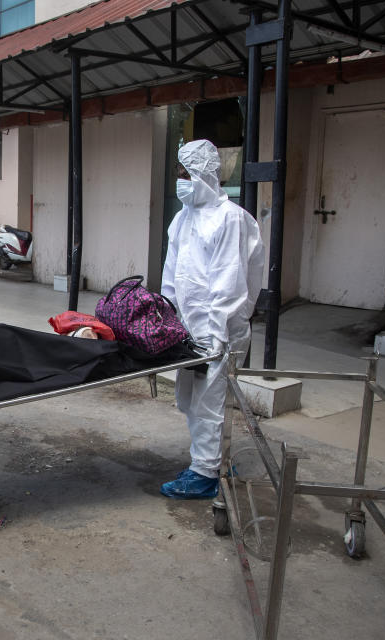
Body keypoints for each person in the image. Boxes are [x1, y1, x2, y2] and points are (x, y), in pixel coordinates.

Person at [159, 140, 265, 499]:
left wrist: (217, 334)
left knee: (212, 402)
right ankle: (215, 460)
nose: (179, 180)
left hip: (219, 334)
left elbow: (231, 282)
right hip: (188, 332)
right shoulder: (182, 218)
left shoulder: (230, 219)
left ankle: (205, 475)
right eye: (177, 173)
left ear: (202, 176)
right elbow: (172, 276)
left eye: (184, 173)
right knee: (191, 400)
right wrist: (166, 318)